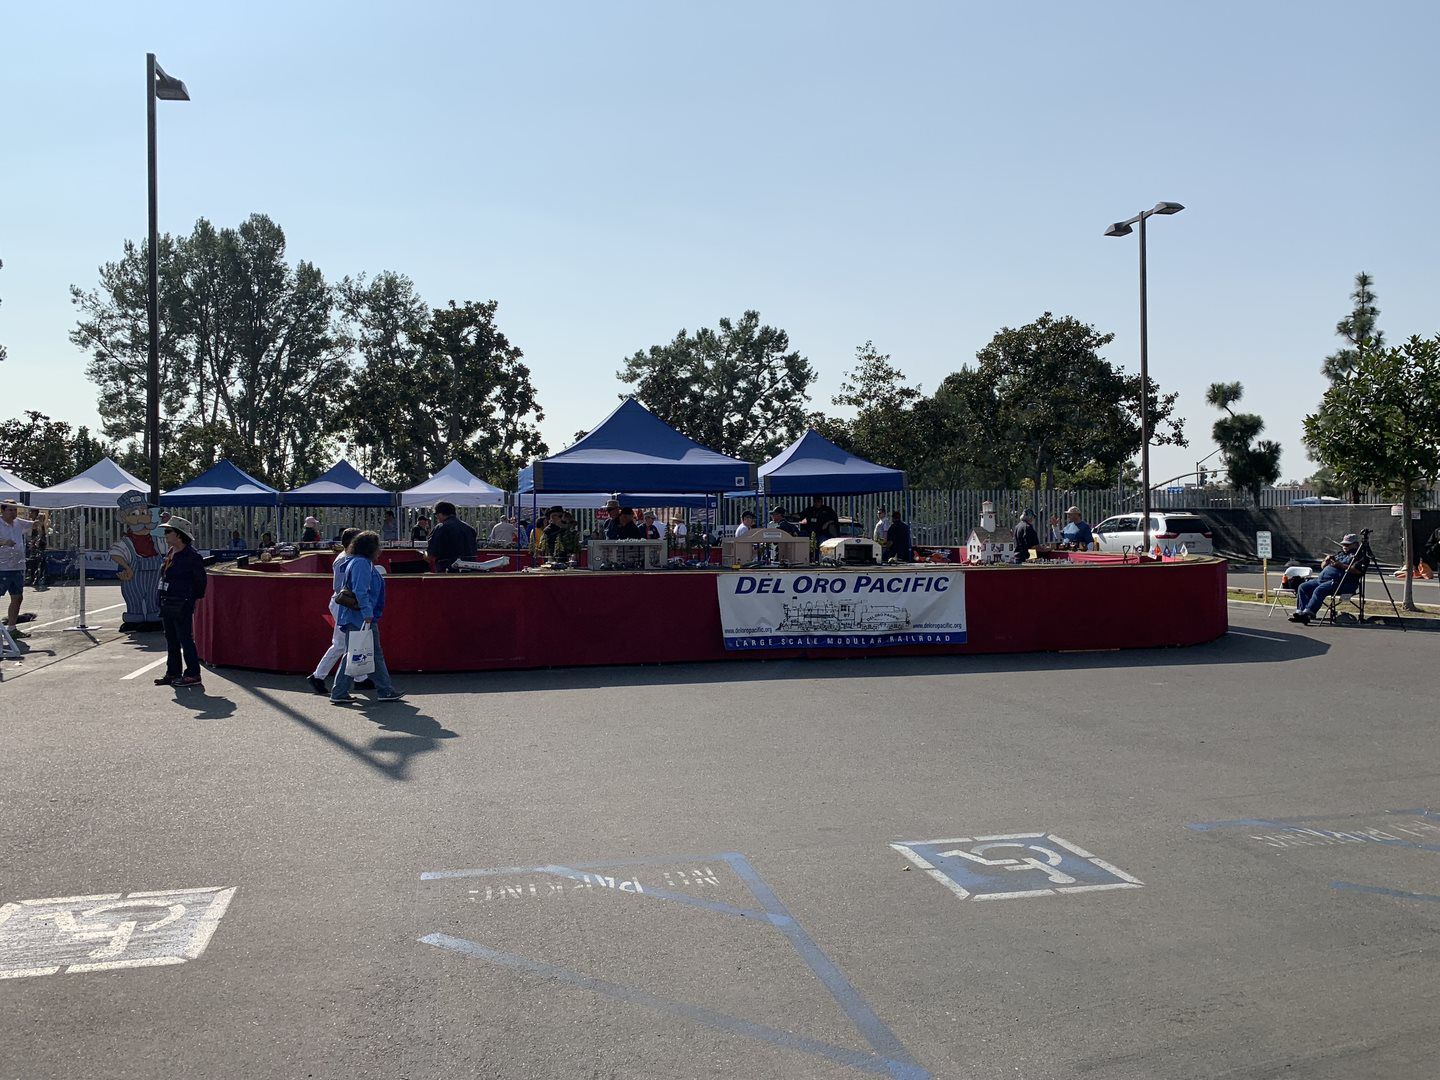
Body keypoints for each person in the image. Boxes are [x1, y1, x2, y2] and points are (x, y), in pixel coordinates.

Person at [330, 531, 401, 704]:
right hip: (361, 616)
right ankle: (385, 690)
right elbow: (361, 591)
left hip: (354, 616)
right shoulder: (362, 564)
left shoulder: (354, 562)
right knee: (371, 653)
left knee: (354, 652)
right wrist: (367, 613)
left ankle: (341, 691)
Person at [154, 516, 207, 687]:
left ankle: (193, 674)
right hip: (167, 601)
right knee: (171, 638)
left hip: (182, 602)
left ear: (179, 535)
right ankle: (173, 672)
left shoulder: (192, 556)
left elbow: (200, 582)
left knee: (185, 638)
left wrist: (190, 599)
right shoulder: (171, 552)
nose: (165, 535)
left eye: (168, 531)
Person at [308, 528, 362, 694]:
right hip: (343, 604)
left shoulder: (352, 558)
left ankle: (361, 678)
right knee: (340, 644)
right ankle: (318, 676)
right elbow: (338, 587)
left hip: (346, 603)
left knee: (354, 640)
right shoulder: (343, 560)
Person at [1291, 534, 1363, 624]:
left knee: (1319, 590)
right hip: (1321, 580)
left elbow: (1358, 571)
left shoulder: (1358, 556)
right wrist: (1326, 561)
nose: (1344, 546)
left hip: (1342, 583)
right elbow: (1322, 567)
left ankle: (1308, 613)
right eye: (1343, 544)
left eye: (1347, 545)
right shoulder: (1340, 554)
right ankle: (1300, 612)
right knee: (1303, 586)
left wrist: (1340, 565)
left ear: (1356, 544)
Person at [1, 499, 45, 638]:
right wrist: (3, 542)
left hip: (18, 566)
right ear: (2, 510)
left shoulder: (18, 522)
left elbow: (35, 526)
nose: (13, 512)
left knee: (17, 597)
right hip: (2, 567)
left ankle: (12, 628)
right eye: (10, 510)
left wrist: (40, 518)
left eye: (15, 510)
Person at [428, 501, 474, 571]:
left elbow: (432, 553)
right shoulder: (469, 529)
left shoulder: (441, 528)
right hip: (469, 568)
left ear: (440, 514)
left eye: (436, 515)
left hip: (447, 569)